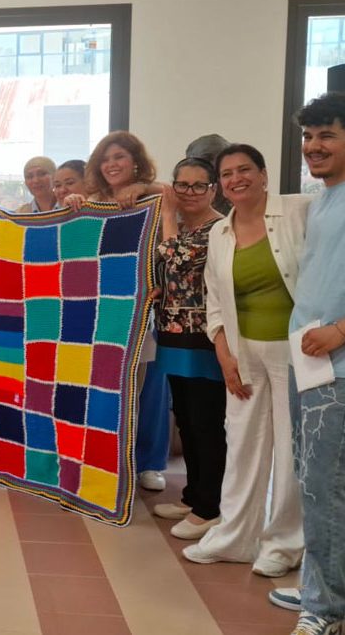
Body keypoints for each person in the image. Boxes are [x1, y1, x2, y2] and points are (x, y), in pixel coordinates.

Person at [183, 144, 308, 577]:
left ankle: (284, 544)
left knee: (290, 449)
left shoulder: (298, 213)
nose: (237, 179)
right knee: (241, 446)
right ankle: (236, 536)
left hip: (296, 352)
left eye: (245, 170)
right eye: (228, 173)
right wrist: (224, 353)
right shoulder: (220, 232)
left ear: (263, 173)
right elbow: (213, 300)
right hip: (242, 351)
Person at [68, 131, 171, 491]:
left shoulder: (153, 197)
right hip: (97, 317)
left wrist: (144, 189)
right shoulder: (92, 202)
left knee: (137, 393)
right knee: (100, 392)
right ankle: (104, 463)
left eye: (120, 158)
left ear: (136, 162)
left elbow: (171, 194)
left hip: (138, 313)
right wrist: (77, 202)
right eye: (106, 159)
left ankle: (142, 465)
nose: (112, 165)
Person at [287, 92, 345, 635]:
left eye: (326, 135)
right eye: (308, 137)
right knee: (314, 480)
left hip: (337, 363)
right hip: (310, 360)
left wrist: (340, 331)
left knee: (326, 486)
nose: (313, 147)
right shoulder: (325, 197)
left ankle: (324, 610)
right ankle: (319, 583)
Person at [149, 158, 227, 541]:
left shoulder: (219, 228)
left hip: (206, 340)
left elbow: (175, 258)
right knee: (186, 418)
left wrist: (166, 210)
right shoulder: (180, 227)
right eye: (182, 185)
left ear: (214, 189)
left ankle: (210, 508)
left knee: (206, 422)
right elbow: (168, 273)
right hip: (174, 336)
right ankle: (194, 495)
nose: (189, 193)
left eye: (198, 185)